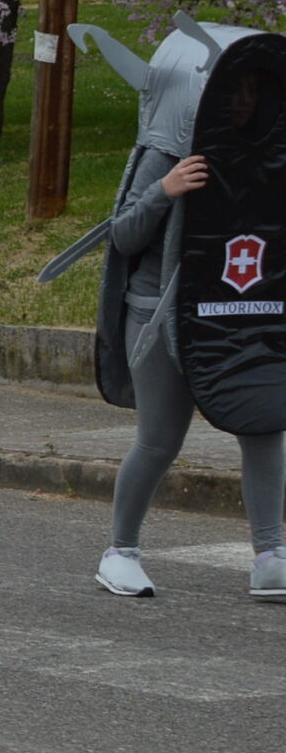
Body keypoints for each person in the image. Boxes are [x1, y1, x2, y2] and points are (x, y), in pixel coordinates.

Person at [93, 63, 286, 599]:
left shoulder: (267, 159)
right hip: (158, 315)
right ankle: (120, 552)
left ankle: (271, 554)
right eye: (236, 87)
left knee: (264, 425)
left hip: (238, 313)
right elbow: (125, 237)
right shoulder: (166, 152)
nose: (245, 99)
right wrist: (165, 189)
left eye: (255, 87)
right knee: (159, 440)